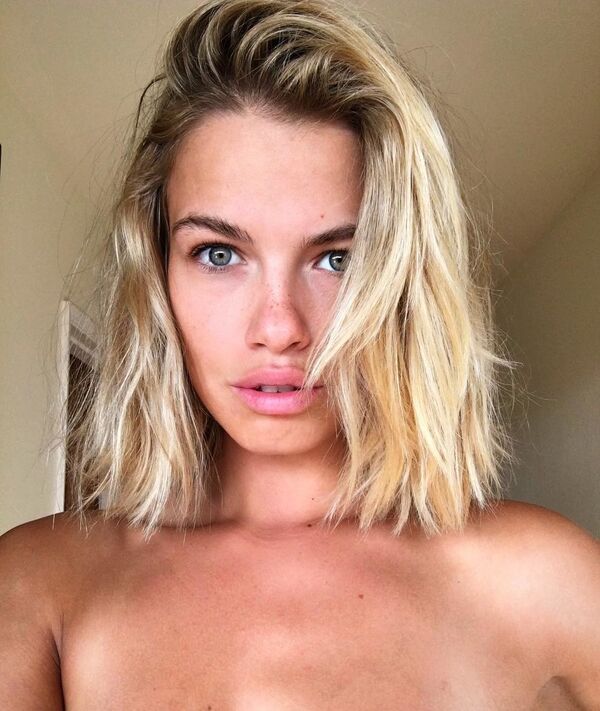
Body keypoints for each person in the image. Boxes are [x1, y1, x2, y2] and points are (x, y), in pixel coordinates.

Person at [1, 0, 599, 708]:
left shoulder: (546, 581)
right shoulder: (41, 586)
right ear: (158, 273)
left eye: (338, 258)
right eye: (218, 253)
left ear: (402, 281)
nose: (280, 327)